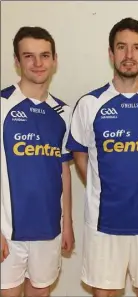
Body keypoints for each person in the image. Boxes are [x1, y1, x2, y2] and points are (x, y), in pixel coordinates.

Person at [66, 17, 138, 297]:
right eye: (122, 47)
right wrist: (101, 186)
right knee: (105, 294)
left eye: (137, 48)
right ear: (111, 53)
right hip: (103, 222)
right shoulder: (90, 104)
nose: (129, 55)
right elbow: (79, 152)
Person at [0, 26, 75, 297]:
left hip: (49, 229)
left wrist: (67, 224)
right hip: (8, 230)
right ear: (17, 62)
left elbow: (63, 171)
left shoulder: (64, 112)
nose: (38, 63)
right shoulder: (2, 105)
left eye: (44, 55)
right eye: (29, 56)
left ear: (55, 60)